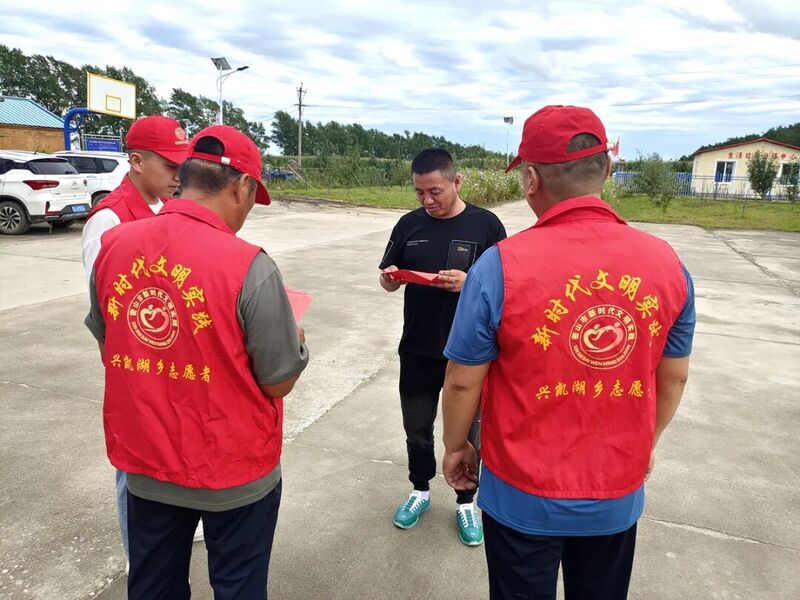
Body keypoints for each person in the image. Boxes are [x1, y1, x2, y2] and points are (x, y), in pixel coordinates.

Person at [440, 105, 696, 599]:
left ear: (531, 178)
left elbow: (462, 380)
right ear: (607, 169)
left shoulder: (499, 266)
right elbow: (675, 376)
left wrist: (456, 446)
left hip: (522, 494)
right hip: (614, 489)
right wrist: (645, 444)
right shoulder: (667, 264)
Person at [85, 124, 309, 599]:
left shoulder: (115, 245)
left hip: (148, 461)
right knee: (238, 588)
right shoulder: (249, 265)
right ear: (241, 186)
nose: (248, 210)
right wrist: (296, 342)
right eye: (252, 198)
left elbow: (111, 348)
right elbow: (278, 381)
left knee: (153, 585)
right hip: (233, 469)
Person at [379, 148, 506, 546]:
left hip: (469, 353)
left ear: (457, 181)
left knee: (469, 433)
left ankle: (466, 502)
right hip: (418, 347)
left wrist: (470, 283)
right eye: (419, 192)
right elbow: (386, 275)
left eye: (435, 191)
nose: (427, 200)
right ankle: (420, 489)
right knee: (417, 430)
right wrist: (390, 279)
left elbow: (506, 288)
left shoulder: (486, 225)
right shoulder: (408, 224)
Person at [80, 115, 193, 557]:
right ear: (137, 161)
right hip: (138, 365)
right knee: (136, 462)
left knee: (175, 447)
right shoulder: (109, 220)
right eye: (170, 166)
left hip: (173, 360)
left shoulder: (169, 210)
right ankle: (139, 558)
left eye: (182, 166)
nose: (178, 176)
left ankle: (177, 527)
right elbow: (104, 312)